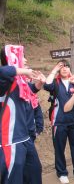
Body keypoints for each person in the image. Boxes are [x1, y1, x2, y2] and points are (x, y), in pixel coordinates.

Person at [0, 45, 44, 184]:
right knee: (14, 180)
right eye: (21, 57)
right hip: (10, 143)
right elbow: (3, 72)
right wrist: (24, 71)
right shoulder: (4, 82)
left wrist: (38, 84)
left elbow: (29, 91)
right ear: (12, 59)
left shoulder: (20, 82)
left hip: (25, 139)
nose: (25, 60)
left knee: (35, 173)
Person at [44, 60, 74, 184]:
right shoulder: (55, 83)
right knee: (59, 148)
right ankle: (62, 173)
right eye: (61, 67)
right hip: (59, 122)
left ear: (70, 69)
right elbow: (46, 85)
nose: (64, 68)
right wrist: (54, 70)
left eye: (67, 66)